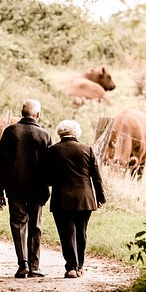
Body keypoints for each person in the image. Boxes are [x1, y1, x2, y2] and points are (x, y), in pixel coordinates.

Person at [0, 99, 52, 278]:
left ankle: (23, 264)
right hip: (38, 189)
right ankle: (35, 267)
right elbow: (50, 166)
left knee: (18, 224)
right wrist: (48, 185)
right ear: (38, 115)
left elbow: (1, 164)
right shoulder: (44, 135)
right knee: (35, 226)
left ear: (21, 112)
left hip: (15, 187)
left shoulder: (10, 132)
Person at [47, 120, 106, 279]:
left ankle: (71, 267)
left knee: (67, 233)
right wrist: (100, 197)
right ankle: (80, 266)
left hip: (61, 199)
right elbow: (96, 177)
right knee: (81, 232)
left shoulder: (52, 151)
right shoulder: (87, 150)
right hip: (84, 198)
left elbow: (47, 178)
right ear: (76, 133)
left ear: (60, 133)